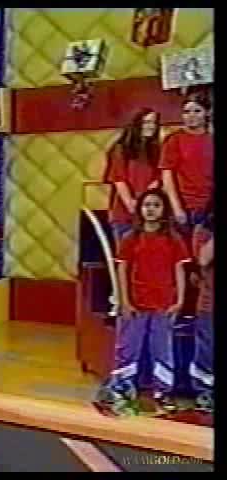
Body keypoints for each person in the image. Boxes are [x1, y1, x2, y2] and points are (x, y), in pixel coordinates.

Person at [94, 189, 190, 416]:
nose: (151, 209)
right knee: (128, 348)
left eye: (156, 205)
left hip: (164, 305)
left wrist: (180, 301)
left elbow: (179, 270)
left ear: (164, 209)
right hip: (135, 304)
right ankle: (121, 390)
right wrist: (125, 301)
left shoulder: (173, 239)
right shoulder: (130, 238)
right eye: (147, 205)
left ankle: (163, 392)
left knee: (162, 350)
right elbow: (122, 270)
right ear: (140, 209)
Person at [104, 108, 162, 243]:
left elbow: (158, 179)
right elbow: (119, 180)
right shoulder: (121, 148)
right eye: (146, 122)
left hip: (149, 214)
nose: (151, 126)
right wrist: (131, 205)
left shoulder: (155, 150)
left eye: (154, 122)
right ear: (136, 124)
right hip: (125, 214)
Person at [160, 92, 213, 236]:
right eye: (187, 112)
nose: (191, 115)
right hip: (186, 207)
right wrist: (177, 208)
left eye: (197, 111)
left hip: (210, 207)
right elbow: (167, 177)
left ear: (207, 113)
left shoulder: (210, 138)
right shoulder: (174, 140)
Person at [190, 199, 213, 413]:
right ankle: (204, 394)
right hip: (209, 303)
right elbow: (203, 259)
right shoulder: (203, 230)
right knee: (207, 350)